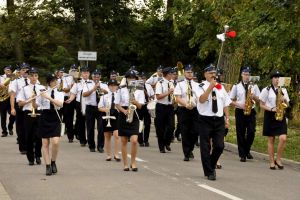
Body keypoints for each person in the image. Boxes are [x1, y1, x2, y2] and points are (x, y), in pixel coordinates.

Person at [194, 64, 231, 180]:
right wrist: (210, 87)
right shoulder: (199, 86)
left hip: (219, 119)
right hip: (205, 119)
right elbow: (202, 99)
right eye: (210, 73)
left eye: (214, 73)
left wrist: (227, 118)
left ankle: (211, 163)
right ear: (205, 74)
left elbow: (225, 104)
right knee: (205, 146)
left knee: (220, 146)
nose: (213, 75)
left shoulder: (221, 87)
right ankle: (210, 172)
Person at [115, 69, 145, 171]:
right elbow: (117, 104)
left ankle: (133, 162)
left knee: (134, 141)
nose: (131, 80)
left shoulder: (140, 89)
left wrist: (135, 102)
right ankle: (125, 164)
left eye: (133, 78)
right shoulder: (121, 89)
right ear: (126, 79)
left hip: (135, 114)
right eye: (129, 78)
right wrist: (124, 111)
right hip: (123, 115)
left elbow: (141, 106)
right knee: (123, 141)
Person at [259, 70, 290, 170]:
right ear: (272, 79)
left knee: (283, 138)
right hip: (270, 115)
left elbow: (287, 104)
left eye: (279, 78)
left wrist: (284, 100)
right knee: (271, 139)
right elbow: (261, 104)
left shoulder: (284, 90)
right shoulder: (266, 90)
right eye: (275, 78)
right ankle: (271, 161)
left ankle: (278, 159)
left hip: (281, 115)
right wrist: (272, 109)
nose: (277, 80)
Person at [230, 66, 260, 162]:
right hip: (240, 111)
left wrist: (253, 96)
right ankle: (242, 154)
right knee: (240, 132)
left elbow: (259, 99)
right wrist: (239, 104)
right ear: (242, 75)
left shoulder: (254, 86)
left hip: (251, 110)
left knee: (251, 131)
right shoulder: (236, 86)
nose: (247, 76)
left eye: (248, 74)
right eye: (245, 74)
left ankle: (246, 150)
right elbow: (230, 100)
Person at [37, 73, 64, 175]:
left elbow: (60, 104)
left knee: (56, 142)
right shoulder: (43, 92)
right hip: (45, 116)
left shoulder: (60, 93)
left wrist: (48, 98)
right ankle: (47, 166)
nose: (55, 82)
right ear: (49, 83)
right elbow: (36, 105)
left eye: (56, 80)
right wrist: (36, 96)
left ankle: (53, 161)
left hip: (55, 117)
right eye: (53, 81)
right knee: (45, 143)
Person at [16, 67, 43, 165]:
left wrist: (37, 104)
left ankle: (38, 155)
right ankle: (30, 158)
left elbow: (45, 102)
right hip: (28, 113)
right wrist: (29, 100)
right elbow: (19, 103)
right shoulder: (24, 89)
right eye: (32, 75)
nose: (34, 78)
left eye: (35, 75)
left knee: (39, 136)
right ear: (28, 77)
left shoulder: (42, 88)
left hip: (39, 113)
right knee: (29, 136)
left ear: (38, 76)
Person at [174, 65, 199, 161]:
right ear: (184, 73)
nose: (190, 74)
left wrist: (194, 104)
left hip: (194, 109)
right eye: (188, 72)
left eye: (191, 72)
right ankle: (186, 153)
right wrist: (186, 104)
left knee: (195, 131)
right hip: (184, 110)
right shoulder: (180, 84)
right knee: (185, 131)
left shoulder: (197, 85)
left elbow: (199, 97)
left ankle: (190, 149)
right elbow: (177, 98)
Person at [83, 69, 108, 153]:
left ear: (100, 76)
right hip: (90, 107)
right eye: (94, 76)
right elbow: (84, 94)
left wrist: (103, 90)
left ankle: (100, 146)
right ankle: (91, 146)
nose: (96, 77)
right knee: (90, 128)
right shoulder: (87, 84)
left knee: (101, 128)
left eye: (98, 76)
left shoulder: (104, 84)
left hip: (101, 108)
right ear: (92, 76)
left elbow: (108, 94)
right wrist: (93, 89)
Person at [98, 79, 121, 161]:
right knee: (107, 136)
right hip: (106, 115)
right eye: (111, 85)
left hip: (117, 115)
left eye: (114, 85)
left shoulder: (119, 95)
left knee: (117, 135)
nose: (113, 87)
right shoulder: (104, 96)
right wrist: (105, 110)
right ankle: (108, 155)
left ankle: (116, 154)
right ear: (108, 86)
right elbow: (99, 107)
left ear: (117, 86)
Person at [154, 67, 175, 153]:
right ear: (167, 74)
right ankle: (161, 146)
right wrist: (168, 92)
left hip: (170, 106)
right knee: (160, 128)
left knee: (171, 126)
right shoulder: (160, 83)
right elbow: (158, 96)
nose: (172, 75)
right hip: (161, 107)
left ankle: (167, 142)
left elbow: (173, 94)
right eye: (171, 74)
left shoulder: (171, 83)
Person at [138, 72, 154, 147]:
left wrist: (151, 98)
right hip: (139, 106)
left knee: (147, 124)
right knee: (140, 123)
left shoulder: (148, 86)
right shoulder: (136, 86)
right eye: (141, 78)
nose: (142, 79)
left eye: (144, 78)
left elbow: (152, 96)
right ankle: (140, 140)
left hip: (147, 105)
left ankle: (146, 140)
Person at [0, 65, 15, 137]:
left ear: (11, 71)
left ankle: (10, 127)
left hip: (11, 98)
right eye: (7, 70)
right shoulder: (1, 77)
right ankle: (4, 131)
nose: (8, 71)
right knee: (3, 116)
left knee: (13, 114)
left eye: (9, 70)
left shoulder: (13, 78)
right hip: (2, 99)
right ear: (4, 70)